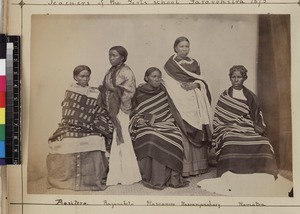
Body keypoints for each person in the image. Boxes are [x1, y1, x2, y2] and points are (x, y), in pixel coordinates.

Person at [197, 65, 288, 196]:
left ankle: (263, 175)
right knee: (230, 141)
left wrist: (256, 126)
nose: (236, 80)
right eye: (233, 77)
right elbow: (218, 118)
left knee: (262, 141)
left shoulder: (251, 96)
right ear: (230, 78)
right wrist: (227, 126)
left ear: (244, 78)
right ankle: (231, 176)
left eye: (239, 77)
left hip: (247, 126)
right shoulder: (225, 95)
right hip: (227, 127)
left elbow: (257, 115)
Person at [47, 65, 113, 191]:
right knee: (66, 140)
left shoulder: (95, 92)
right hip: (71, 125)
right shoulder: (70, 91)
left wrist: (93, 121)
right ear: (75, 77)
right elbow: (68, 111)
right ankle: (69, 180)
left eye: (87, 76)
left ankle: (92, 181)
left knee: (96, 140)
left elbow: (99, 110)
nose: (85, 79)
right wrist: (80, 120)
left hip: (91, 126)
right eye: (82, 76)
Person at [129, 67, 189, 189]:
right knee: (151, 137)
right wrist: (139, 120)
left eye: (159, 76)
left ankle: (172, 178)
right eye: (153, 76)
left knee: (176, 136)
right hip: (147, 125)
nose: (157, 79)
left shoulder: (164, 90)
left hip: (166, 122)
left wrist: (168, 120)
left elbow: (171, 108)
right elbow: (134, 111)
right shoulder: (138, 92)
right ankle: (156, 177)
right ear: (146, 78)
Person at [163, 36, 213, 177]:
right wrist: (180, 91)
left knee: (198, 126)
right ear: (175, 48)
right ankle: (186, 168)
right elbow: (168, 83)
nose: (184, 49)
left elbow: (201, 80)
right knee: (183, 128)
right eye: (181, 46)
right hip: (180, 100)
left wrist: (196, 85)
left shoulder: (194, 63)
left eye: (187, 46)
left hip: (195, 101)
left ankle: (200, 166)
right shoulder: (170, 64)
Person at [99, 46, 141, 185]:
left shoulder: (126, 71)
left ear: (122, 57)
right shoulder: (110, 71)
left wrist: (114, 89)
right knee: (115, 139)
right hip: (112, 108)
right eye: (110, 55)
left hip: (121, 109)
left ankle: (129, 175)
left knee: (122, 138)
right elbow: (105, 87)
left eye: (114, 55)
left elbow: (130, 90)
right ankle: (115, 174)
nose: (111, 58)